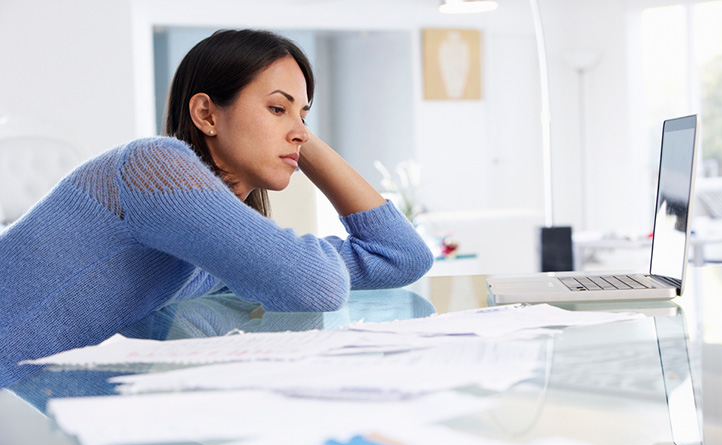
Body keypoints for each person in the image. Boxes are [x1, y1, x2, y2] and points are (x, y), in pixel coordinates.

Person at [0, 29, 434, 389]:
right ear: (207, 113)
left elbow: (400, 256)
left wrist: (298, 133)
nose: (300, 132)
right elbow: (317, 286)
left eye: (304, 116)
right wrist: (295, 132)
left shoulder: (206, 255)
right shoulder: (152, 166)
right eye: (277, 108)